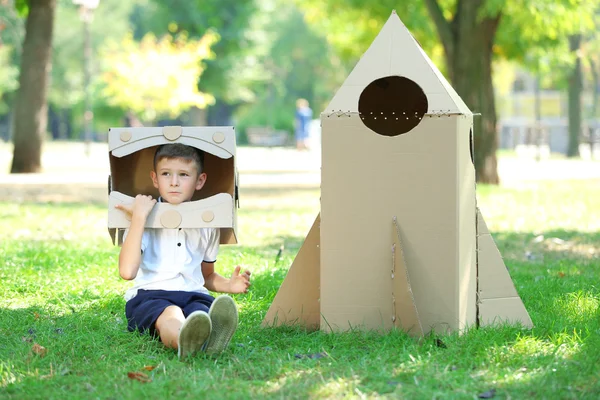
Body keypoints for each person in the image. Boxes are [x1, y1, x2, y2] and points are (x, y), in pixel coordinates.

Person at [115, 143, 251, 360]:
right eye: (166, 174)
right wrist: (139, 218)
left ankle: (209, 337)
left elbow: (206, 276)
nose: (174, 182)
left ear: (200, 181)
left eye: (184, 174)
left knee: (201, 314)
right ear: (155, 179)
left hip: (193, 294)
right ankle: (185, 341)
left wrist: (228, 285)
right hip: (151, 296)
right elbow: (127, 272)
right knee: (172, 314)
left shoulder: (208, 224)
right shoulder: (139, 220)